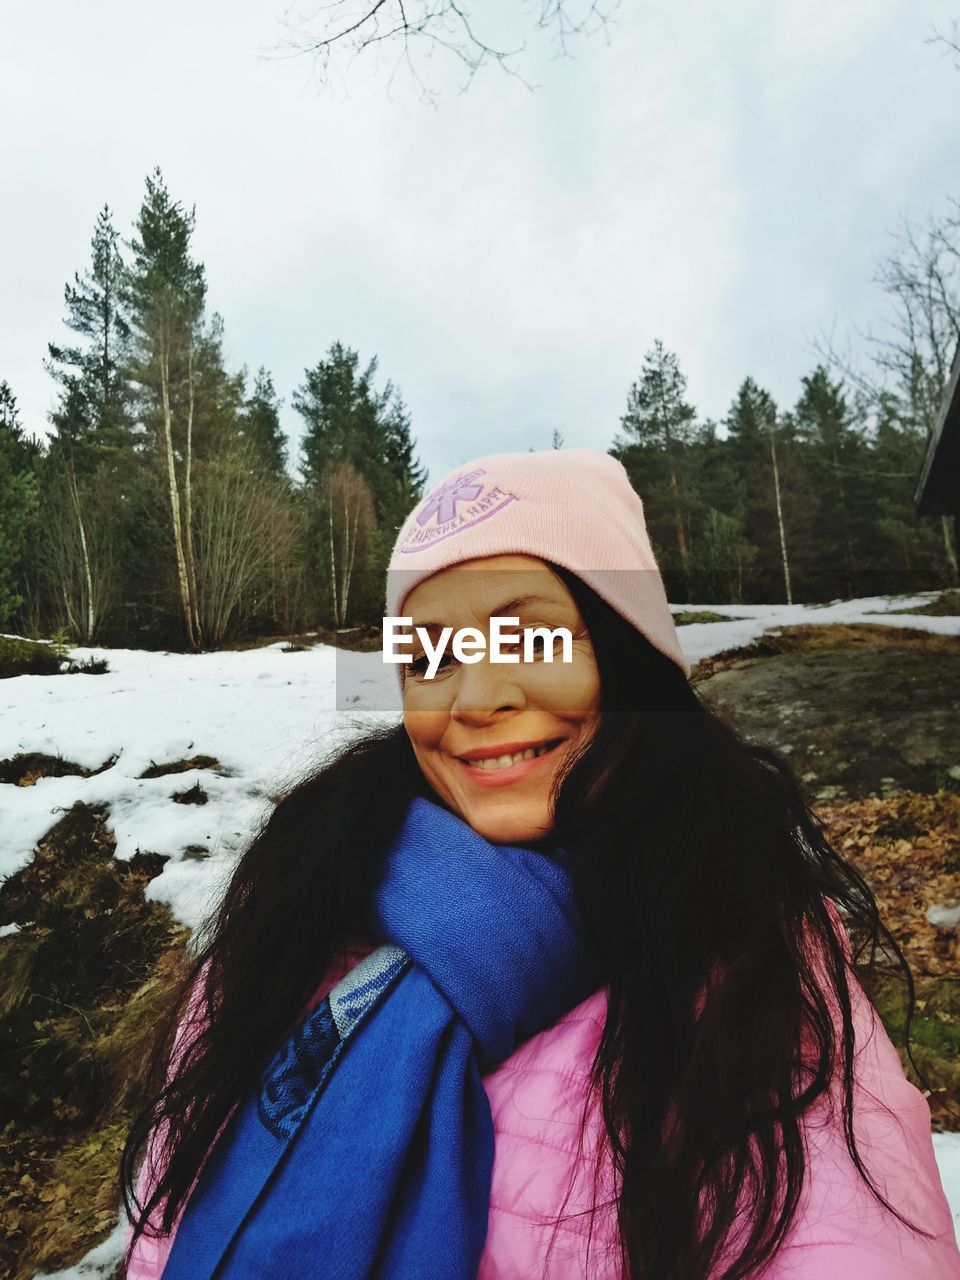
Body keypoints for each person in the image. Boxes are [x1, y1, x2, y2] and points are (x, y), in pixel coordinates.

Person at [121, 449, 960, 1279]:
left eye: (530, 638)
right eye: (430, 658)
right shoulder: (297, 916)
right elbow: (166, 1227)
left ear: (630, 656)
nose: (476, 699)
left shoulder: (745, 954)